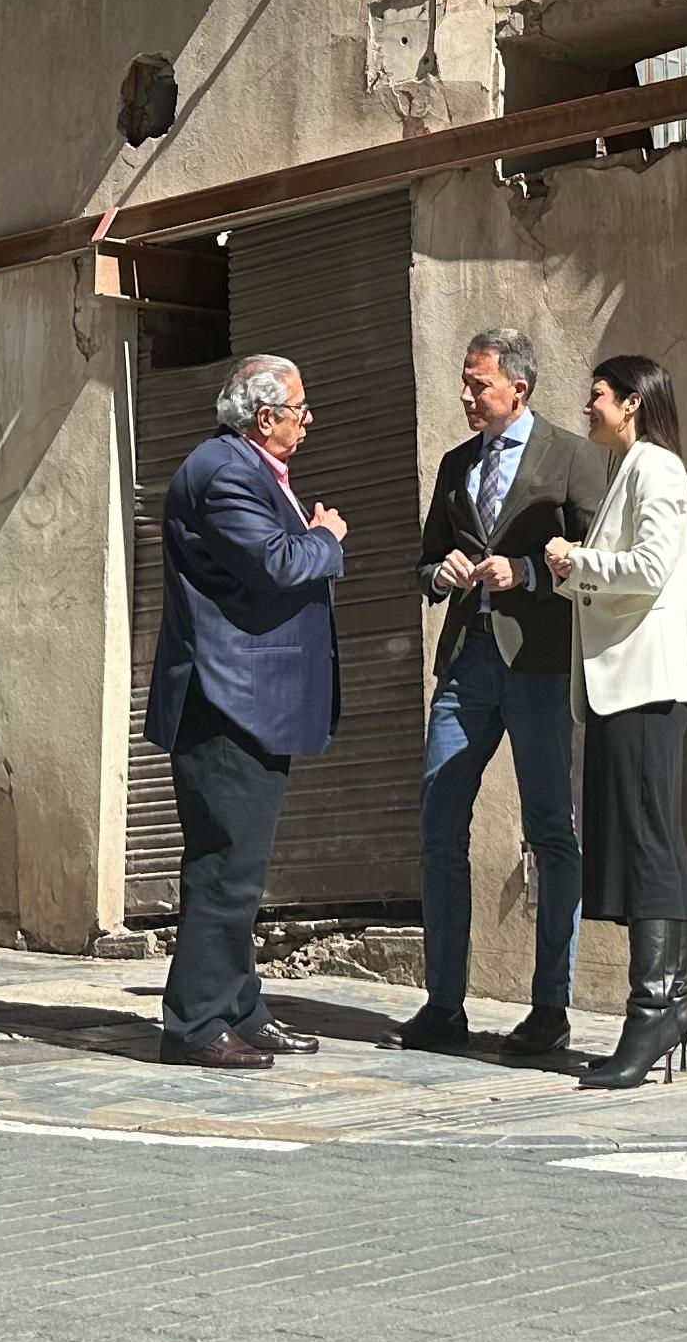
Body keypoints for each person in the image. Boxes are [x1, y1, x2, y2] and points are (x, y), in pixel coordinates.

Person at [394, 326, 605, 1059]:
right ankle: (443, 1004)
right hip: (466, 663)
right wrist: (441, 575)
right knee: (438, 822)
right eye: (464, 380)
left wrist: (532, 575)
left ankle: (551, 1007)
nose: (466, 395)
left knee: (550, 829)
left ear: (517, 387)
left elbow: (598, 561)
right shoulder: (456, 464)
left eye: (478, 383)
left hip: (539, 663)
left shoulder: (572, 458)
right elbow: (422, 564)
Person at [142, 355, 348, 1069]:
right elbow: (277, 563)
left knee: (241, 866)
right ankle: (194, 1023)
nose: (308, 419)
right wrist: (326, 536)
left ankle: (240, 1006)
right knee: (224, 866)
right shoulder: (224, 472)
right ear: (265, 419)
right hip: (226, 700)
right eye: (299, 408)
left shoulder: (243, 467)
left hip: (249, 699)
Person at [543, 352, 687, 1090]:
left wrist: (576, 562)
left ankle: (659, 1009)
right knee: (642, 846)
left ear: (633, 402)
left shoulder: (657, 470)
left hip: (646, 686)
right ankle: (660, 1009)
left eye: (598, 395)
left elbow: (651, 567)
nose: (588, 406)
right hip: (620, 689)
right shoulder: (630, 470)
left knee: (652, 848)